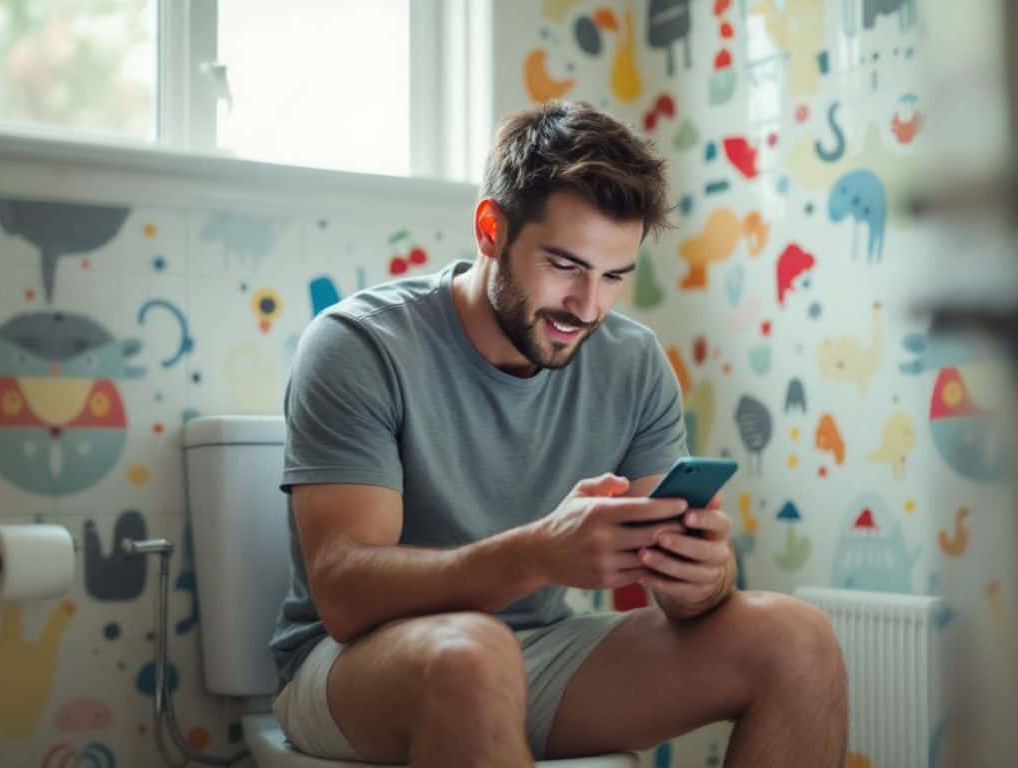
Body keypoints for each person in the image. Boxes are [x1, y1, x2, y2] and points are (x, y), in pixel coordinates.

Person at [270, 100, 848, 767]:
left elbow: (682, 582)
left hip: (535, 653)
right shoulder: (360, 346)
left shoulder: (634, 364)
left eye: (613, 277)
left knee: (798, 639)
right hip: (351, 664)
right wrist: (540, 554)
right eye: (566, 266)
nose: (589, 307)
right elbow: (344, 594)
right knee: (472, 658)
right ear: (491, 229)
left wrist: (704, 578)